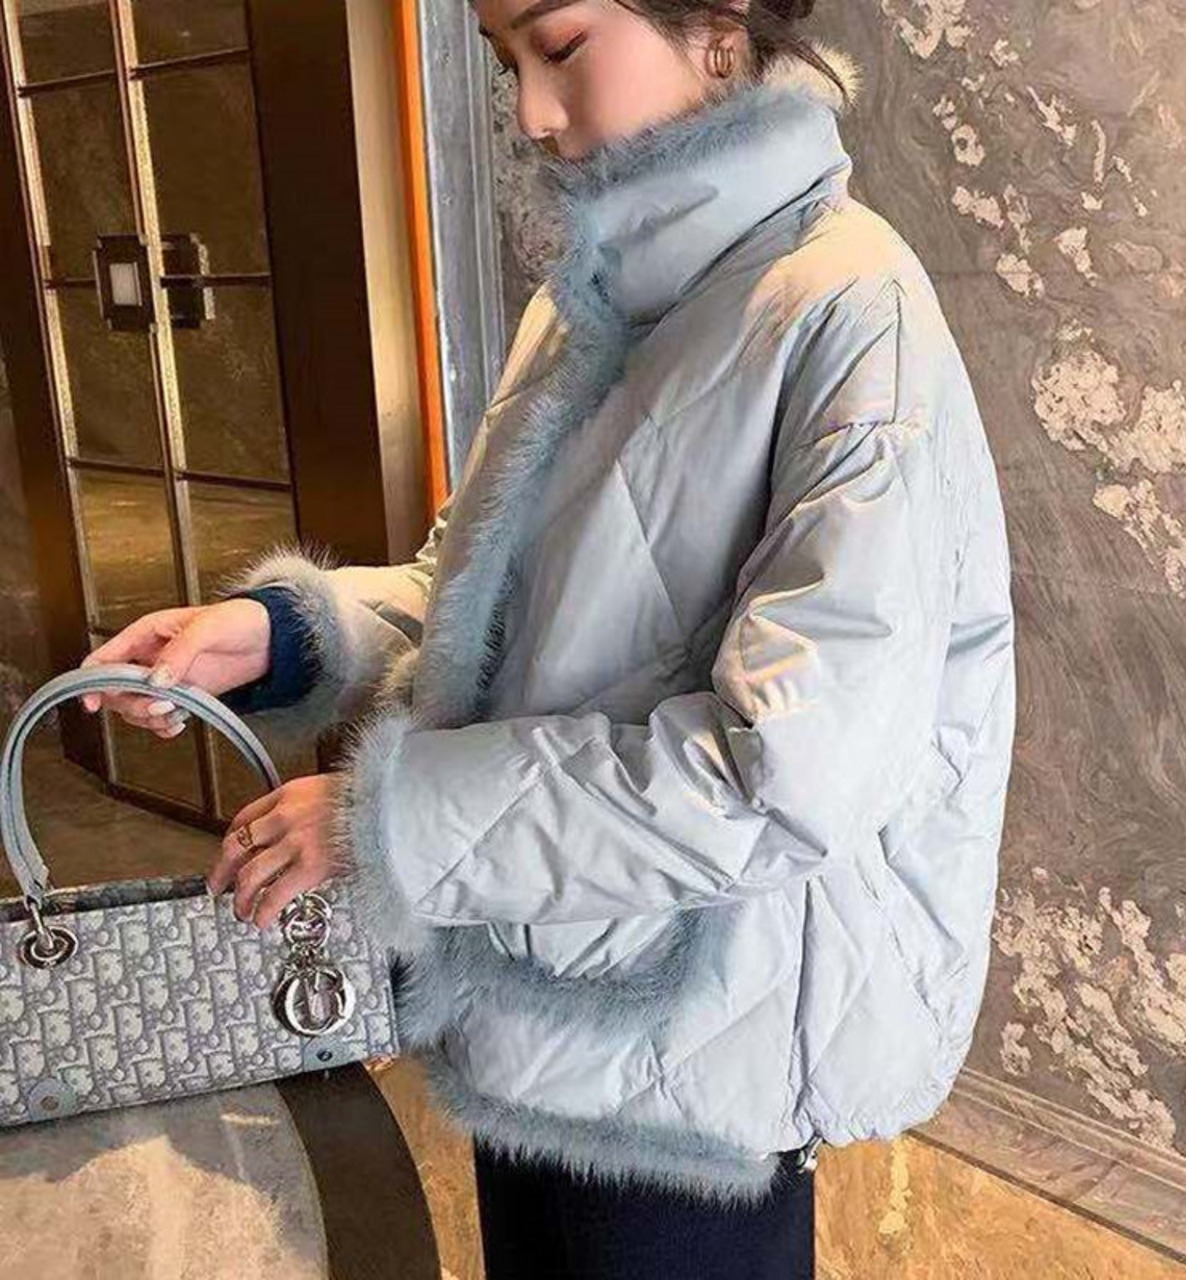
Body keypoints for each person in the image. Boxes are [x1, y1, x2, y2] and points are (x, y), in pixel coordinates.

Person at [80, 0, 1017, 1275]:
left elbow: (778, 776)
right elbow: (478, 594)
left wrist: (381, 820)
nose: (526, 111)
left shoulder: (850, 317)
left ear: (719, 27)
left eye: (560, 45)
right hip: (527, 998)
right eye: (503, 59)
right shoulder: (594, 299)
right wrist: (280, 634)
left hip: (694, 1065)